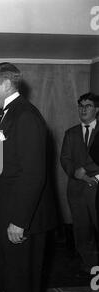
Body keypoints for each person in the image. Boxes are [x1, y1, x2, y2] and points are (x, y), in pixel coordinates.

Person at [0, 62, 57, 292]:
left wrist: (19, 221)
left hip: (21, 220)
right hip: (10, 215)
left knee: (22, 288)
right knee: (13, 283)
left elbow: (33, 174)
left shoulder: (25, 115)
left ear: (6, 84)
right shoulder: (10, 113)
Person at [61, 92, 99, 277]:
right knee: (81, 230)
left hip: (97, 188)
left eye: (88, 105)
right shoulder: (71, 133)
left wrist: (86, 169)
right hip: (76, 189)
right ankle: (90, 266)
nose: (83, 109)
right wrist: (78, 174)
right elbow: (65, 159)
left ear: (97, 109)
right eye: (81, 105)